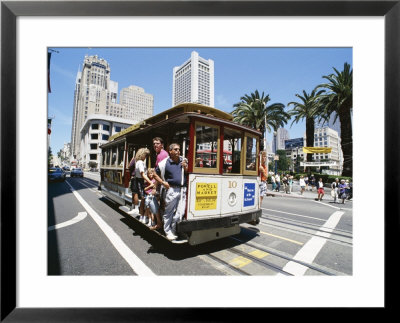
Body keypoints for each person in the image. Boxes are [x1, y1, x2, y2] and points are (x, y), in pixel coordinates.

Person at [154, 143, 188, 241]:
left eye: (179, 149)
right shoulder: (164, 163)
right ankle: (167, 231)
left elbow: (188, 171)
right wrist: (163, 182)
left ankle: (173, 229)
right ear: (170, 151)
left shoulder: (183, 160)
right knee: (168, 212)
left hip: (182, 190)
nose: (178, 151)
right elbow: (155, 173)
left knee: (180, 212)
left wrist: (185, 167)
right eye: (176, 149)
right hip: (172, 190)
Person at [134, 148, 153, 224]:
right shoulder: (141, 163)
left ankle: (142, 216)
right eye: (145, 155)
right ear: (142, 154)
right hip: (141, 181)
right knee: (145, 200)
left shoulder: (137, 162)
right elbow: (143, 174)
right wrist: (150, 182)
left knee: (143, 200)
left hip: (139, 181)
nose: (146, 157)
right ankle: (144, 217)